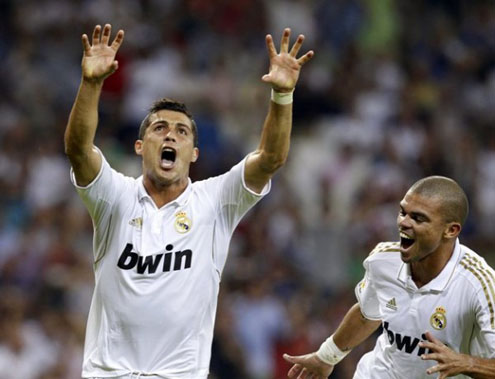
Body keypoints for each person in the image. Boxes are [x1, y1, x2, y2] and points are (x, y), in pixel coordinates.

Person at [64, 23, 313, 378]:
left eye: (181, 132)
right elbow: (77, 150)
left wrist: (282, 96)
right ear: (140, 147)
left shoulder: (215, 201)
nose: (170, 135)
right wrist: (90, 85)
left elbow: (270, 159)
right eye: (159, 128)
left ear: (193, 153)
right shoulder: (114, 197)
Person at [284, 176, 495, 379]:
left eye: (418, 218)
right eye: (403, 212)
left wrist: (465, 363)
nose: (403, 223)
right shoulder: (383, 260)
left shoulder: (480, 284)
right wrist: (326, 357)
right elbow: (367, 314)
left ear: (451, 230)